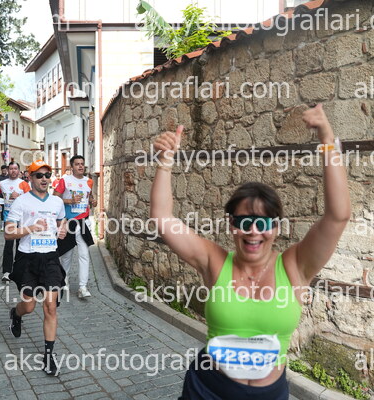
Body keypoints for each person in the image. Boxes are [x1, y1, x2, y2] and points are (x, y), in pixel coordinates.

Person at [150, 105, 350, 399]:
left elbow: (337, 216)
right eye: (244, 222)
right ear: (232, 226)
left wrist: (328, 140)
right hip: (208, 389)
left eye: (263, 223)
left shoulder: (295, 266)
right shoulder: (214, 261)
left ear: (276, 227)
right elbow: (163, 219)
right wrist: (165, 163)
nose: (253, 231)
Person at [5, 160, 67, 376]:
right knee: (29, 306)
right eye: (39, 175)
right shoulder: (21, 202)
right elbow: (8, 233)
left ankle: (49, 356)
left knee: (50, 306)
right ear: (30, 178)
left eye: (47, 175)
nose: (44, 179)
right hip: (27, 259)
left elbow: (62, 222)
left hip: (50, 258)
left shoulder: (57, 202)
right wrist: (31, 228)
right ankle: (16, 314)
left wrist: (63, 229)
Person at [55, 155, 97, 297]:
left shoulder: (89, 181)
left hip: (84, 222)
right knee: (66, 255)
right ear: (71, 167)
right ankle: (64, 280)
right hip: (69, 222)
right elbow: (55, 198)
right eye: (77, 164)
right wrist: (69, 201)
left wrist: (93, 201)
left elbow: (89, 197)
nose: (80, 166)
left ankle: (82, 287)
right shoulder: (65, 180)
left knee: (84, 255)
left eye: (82, 164)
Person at [0, 162, 31, 282]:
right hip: (8, 217)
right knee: (8, 244)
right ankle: (7, 271)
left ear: (19, 171)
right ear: (7, 170)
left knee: (21, 244)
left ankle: (20, 270)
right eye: (11, 169)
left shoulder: (24, 184)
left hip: (22, 218)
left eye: (15, 169)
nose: (13, 171)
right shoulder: (2, 183)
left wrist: (19, 197)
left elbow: (31, 198)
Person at [0, 165, 9, 231]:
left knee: (7, 211)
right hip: (1, 198)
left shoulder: (9, 177)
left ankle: (8, 223)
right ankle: (2, 225)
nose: (4, 171)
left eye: (5, 170)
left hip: (7, 198)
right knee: (2, 211)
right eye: (3, 170)